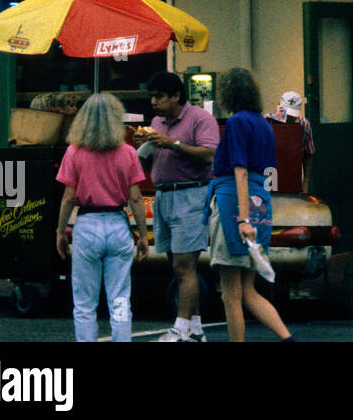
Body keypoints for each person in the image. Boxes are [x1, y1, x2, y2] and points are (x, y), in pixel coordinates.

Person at [207, 67, 293, 342]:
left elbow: (239, 170)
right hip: (260, 200)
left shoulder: (235, 122)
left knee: (229, 293)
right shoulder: (264, 123)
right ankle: (288, 339)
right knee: (248, 291)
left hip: (235, 201)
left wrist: (242, 219)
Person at [55, 94, 148, 342]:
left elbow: (68, 198)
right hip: (118, 224)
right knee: (119, 299)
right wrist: (142, 236)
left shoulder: (74, 152)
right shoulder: (127, 153)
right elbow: (136, 199)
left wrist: (60, 231)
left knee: (85, 303)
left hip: (87, 225)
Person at [134, 70, 219, 342]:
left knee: (185, 266)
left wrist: (173, 143)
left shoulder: (200, 119)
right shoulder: (157, 121)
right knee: (177, 265)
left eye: (159, 97)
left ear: (176, 95)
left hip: (190, 194)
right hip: (163, 196)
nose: (154, 103)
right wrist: (144, 147)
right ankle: (195, 329)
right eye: (152, 97)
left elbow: (209, 155)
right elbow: (148, 163)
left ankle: (180, 329)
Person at [274, 90, 316, 193]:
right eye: (285, 113)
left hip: (293, 178)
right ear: (279, 107)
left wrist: (306, 182)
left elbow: (309, 153)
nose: (288, 118)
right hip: (270, 176)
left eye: (292, 115)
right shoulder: (267, 122)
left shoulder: (304, 124)